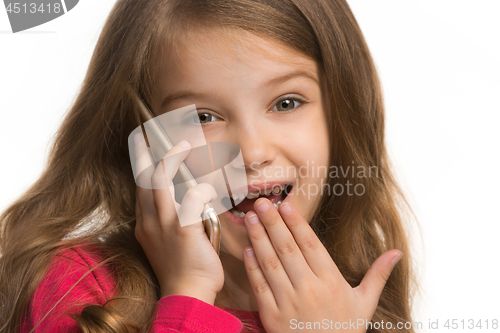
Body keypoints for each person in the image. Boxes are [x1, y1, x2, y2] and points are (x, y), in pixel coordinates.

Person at [0, 0, 418, 332]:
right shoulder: (78, 286)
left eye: (286, 103)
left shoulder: (356, 310)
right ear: (143, 140)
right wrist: (189, 297)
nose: (253, 153)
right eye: (203, 117)